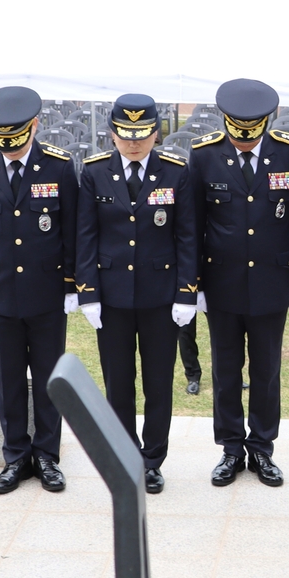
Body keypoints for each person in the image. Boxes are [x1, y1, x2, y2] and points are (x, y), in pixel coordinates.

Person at [189, 79, 289, 487]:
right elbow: (193, 225)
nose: (244, 141)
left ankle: (261, 448)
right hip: (221, 282)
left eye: (251, 131)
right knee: (226, 371)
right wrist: (196, 284)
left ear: (265, 124)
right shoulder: (204, 156)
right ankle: (229, 449)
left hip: (272, 281)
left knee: (266, 370)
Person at [0, 86, 79, 494]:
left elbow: (71, 232)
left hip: (47, 292)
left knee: (49, 378)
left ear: (34, 127)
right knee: (9, 379)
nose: (10, 150)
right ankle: (15, 457)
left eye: (17, 141)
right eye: (2, 142)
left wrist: (71, 285)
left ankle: (47, 456)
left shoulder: (59, 167)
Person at [75, 94, 197, 495]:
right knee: (118, 383)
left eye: (141, 135)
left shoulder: (176, 173)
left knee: (158, 383)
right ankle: (125, 457)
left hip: (161, 296)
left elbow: (187, 237)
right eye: (124, 135)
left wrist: (186, 293)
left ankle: (152, 460)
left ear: (156, 132)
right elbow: (86, 236)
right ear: (111, 133)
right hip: (110, 298)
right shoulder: (94, 173)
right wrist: (88, 293)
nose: (132, 143)